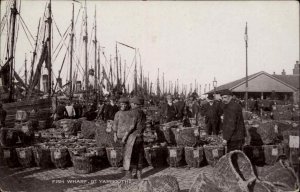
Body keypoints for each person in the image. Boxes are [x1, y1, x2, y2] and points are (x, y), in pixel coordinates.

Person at [123, 96, 146, 180]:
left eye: (131, 103)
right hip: (140, 136)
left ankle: (130, 175)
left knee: (130, 155)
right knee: (139, 155)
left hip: (133, 137)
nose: (130, 105)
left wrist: (124, 137)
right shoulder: (142, 112)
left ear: (134, 104)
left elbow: (131, 126)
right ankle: (139, 174)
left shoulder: (133, 112)